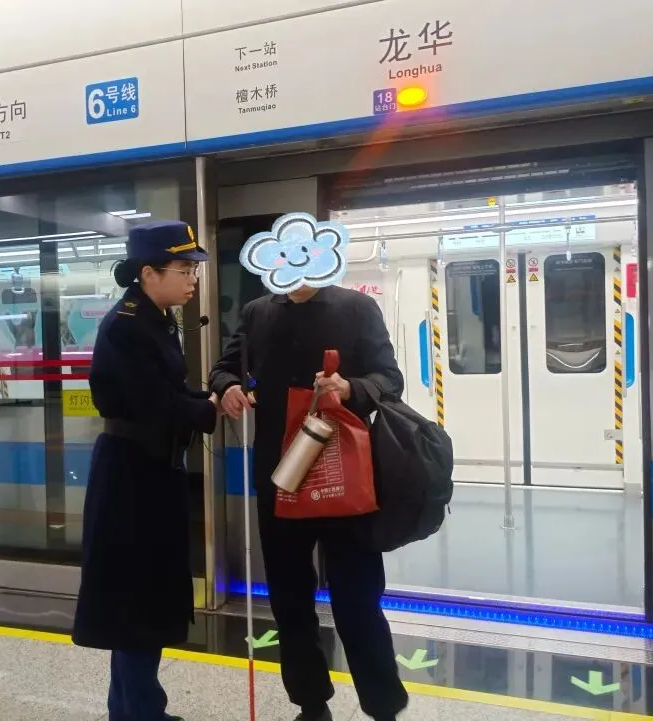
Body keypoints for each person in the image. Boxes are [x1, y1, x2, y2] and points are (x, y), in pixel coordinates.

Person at [209, 283, 409, 721]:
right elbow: (224, 368)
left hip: (346, 475)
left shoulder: (357, 307)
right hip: (280, 473)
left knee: (358, 599)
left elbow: (390, 379)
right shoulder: (258, 312)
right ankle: (310, 702)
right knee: (289, 598)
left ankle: (383, 706)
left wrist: (350, 387)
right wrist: (228, 385)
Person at [72, 220, 218, 721]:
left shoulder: (156, 317)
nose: (192, 279)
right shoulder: (128, 326)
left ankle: (133, 708)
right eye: (183, 270)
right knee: (136, 601)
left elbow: (172, 392)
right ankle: (139, 713)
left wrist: (211, 398)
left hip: (151, 471)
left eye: (193, 270)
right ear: (149, 272)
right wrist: (209, 409)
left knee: (145, 599)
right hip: (132, 480)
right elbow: (155, 404)